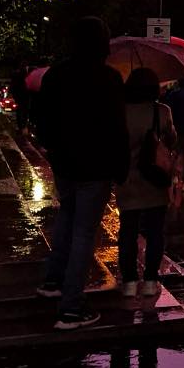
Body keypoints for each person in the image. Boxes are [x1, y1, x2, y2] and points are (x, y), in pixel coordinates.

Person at [35, 17, 129, 330]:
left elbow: (43, 118)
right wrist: (120, 166)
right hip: (96, 165)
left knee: (67, 216)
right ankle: (71, 308)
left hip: (65, 162)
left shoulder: (56, 75)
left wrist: (51, 148)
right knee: (84, 232)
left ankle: (53, 281)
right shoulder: (109, 78)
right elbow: (117, 127)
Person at [115, 67, 177, 298]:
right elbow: (171, 141)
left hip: (127, 180)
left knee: (127, 231)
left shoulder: (119, 111)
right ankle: (151, 279)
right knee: (155, 231)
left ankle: (130, 281)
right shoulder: (161, 111)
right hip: (154, 180)